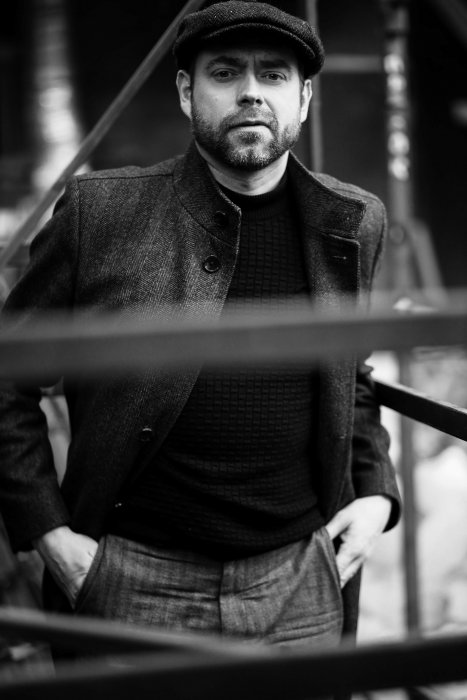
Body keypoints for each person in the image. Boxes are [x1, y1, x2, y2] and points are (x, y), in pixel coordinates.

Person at [0, 0, 401, 652]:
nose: (250, 92)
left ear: (303, 98)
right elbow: (7, 378)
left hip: (300, 581)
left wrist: (378, 492)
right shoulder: (100, 214)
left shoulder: (354, 219)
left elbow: (349, 375)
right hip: (130, 581)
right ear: (187, 92)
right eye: (225, 72)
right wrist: (50, 535)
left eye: (273, 74)